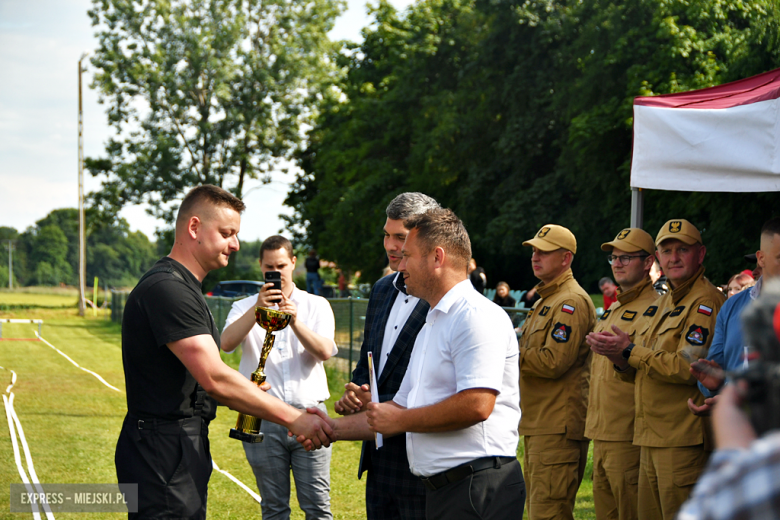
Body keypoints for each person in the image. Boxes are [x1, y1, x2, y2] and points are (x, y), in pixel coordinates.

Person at [115, 185, 333, 520]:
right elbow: (215, 377)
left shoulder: (185, 287)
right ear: (194, 228)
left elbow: (199, 379)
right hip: (162, 449)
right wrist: (295, 418)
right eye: (227, 233)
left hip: (176, 444)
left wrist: (247, 392)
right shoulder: (168, 289)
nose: (235, 244)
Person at [307, 208, 525, 520]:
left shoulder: (475, 316)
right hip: (446, 491)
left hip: (477, 488)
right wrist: (330, 428)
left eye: (408, 255)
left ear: (437, 257)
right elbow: (397, 408)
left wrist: (402, 421)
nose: (401, 265)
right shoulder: (434, 321)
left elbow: (477, 404)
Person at [588, 219, 724, 520]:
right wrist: (621, 359)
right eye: (667, 250)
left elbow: (689, 366)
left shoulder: (705, 302)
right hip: (650, 435)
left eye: (682, 250)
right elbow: (641, 366)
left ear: (700, 254)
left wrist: (630, 351)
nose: (673, 258)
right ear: (658, 258)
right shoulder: (667, 302)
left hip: (681, 437)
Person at [333, 192, 440, 520]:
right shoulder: (381, 289)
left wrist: (378, 407)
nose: (391, 246)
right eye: (386, 235)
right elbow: (369, 359)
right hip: (378, 459)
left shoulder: (445, 298)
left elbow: (438, 384)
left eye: (400, 237)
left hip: (423, 461)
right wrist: (356, 391)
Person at [221, 235, 337, 520]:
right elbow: (226, 343)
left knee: (318, 508)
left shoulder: (316, 304)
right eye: (270, 266)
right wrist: (257, 310)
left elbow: (324, 351)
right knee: (273, 508)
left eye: (282, 265)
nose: (277, 272)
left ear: (293, 263)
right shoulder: (244, 306)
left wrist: (295, 321)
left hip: (309, 415)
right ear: (261, 267)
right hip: (262, 417)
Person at [677, 280, 780, 520]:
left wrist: (730, 454)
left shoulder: (755, 479)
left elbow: (700, 512)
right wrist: (721, 386)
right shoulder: (732, 306)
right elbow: (712, 370)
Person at [518, 224, 595, 520]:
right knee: (541, 510)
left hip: (557, 426)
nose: (536, 257)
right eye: (535, 251)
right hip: (543, 421)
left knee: (549, 513)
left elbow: (553, 361)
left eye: (544, 252)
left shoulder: (569, 302)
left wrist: (509, 352)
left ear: (566, 259)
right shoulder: (546, 299)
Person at [585, 228, 659, 520]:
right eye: (614, 258)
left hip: (629, 434)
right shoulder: (615, 306)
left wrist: (623, 357)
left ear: (648, 262)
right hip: (602, 432)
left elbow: (653, 368)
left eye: (626, 257)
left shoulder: (657, 308)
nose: (617, 263)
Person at [688, 217, 780, 415]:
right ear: (761, 258)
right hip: (742, 433)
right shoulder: (731, 307)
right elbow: (713, 379)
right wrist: (714, 384)